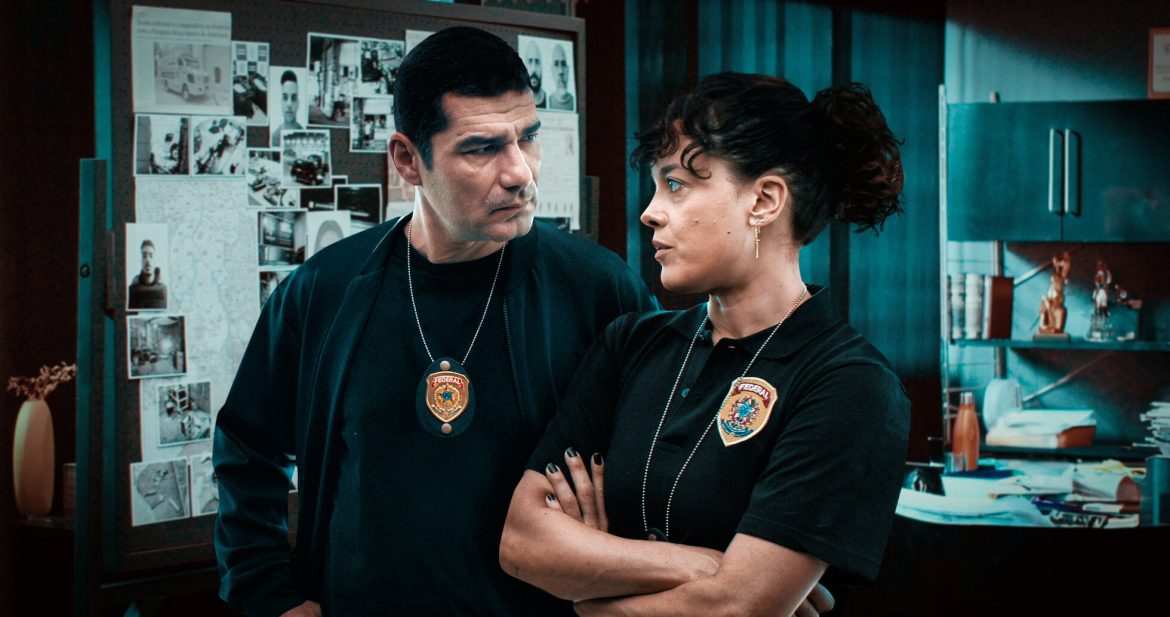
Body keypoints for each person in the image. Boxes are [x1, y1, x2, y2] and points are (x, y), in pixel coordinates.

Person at [213, 27, 658, 617]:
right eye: (481, 149)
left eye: (528, 138)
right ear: (407, 160)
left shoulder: (598, 288)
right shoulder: (325, 289)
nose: (520, 172)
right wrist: (269, 595)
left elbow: (666, 450)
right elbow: (247, 448)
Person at [500, 72, 911, 615]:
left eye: (676, 184)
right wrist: (708, 567)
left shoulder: (850, 383)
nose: (650, 211)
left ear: (764, 200)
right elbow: (523, 544)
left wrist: (589, 602)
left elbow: (737, 608)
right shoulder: (631, 343)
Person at [128, 239, 167, 310]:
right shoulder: (134, 288)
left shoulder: (162, 289)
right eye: (144, 256)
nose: (148, 260)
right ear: (141, 260)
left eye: (151, 256)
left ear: (155, 260)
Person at [272, 69, 303, 147]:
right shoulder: (275, 136)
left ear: (298, 103)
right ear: (281, 102)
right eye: (285, 98)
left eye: (293, 98)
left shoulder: (304, 134)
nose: (289, 104)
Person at [548, 43, 574, 111]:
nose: (561, 71)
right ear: (552, 70)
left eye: (563, 64)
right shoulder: (548, 100)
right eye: (556, 64)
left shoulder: (574, 100)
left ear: (568, 69)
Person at [524, 41, 547, 108]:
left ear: (542, 67)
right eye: (530, 61)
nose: (533, 69)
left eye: (537, 62)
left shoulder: (548, 100)